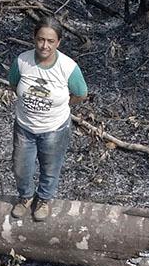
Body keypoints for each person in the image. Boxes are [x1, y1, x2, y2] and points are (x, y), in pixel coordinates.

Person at [7, 17, 89, 221]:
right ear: (34, 39)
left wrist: (61, 105)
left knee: (50, 168)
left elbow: (81, 93)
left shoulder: (68, 67)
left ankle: (43, 199)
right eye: (41, 39)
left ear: (58, 42)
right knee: (21, 167)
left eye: (50, 41)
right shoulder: (22, 61)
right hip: (25, 127)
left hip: (54, 128)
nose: (45, 45)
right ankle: (25, 196)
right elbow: (13, 84)